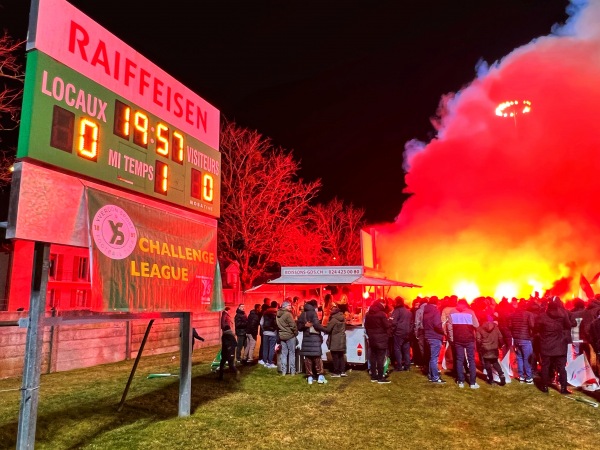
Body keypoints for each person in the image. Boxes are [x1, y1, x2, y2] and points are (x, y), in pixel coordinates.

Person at [535, 296, 577, 394]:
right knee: (562, 367)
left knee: (545, 366)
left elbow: (536, 328)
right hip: (560, 345)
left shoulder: (542, 316)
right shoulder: (563, 315)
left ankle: (545, 386)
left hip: (546, 345)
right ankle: (563, 388)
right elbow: (568, 326)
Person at [448, 299, 480, 389]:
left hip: (457, 339)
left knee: (459, 360)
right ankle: (473, 383)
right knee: (471, 360)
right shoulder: (470, 312)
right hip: (469, 339)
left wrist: (451, 338)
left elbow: (449, 326)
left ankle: (461, 381)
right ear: (466, 304)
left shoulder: (452, 312)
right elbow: (476, 325)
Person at [298, 299, 328, 384]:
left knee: (308, 358)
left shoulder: (303, 314)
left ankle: (310, 377)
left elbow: (299, 327)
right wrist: (326, 330)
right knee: (317, 357)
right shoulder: (313, 313)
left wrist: (304, 326)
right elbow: (316, 325)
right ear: (314, 306)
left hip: (306, 338)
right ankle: (320, 376)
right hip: (314, 338)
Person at [364, 299, 392, 383]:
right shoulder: (382, 314)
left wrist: (370, 335)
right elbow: (386, 325)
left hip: (372, 338)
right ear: (381, 304)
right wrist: (390, 321)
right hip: (381, 338)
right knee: (380, 357)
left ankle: (373, 376)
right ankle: (380, 377)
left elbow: (366, 326)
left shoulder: (368, 314)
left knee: (373, 357)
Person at [509, 299, 536, 384]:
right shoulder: (529, 314)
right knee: (527, 358)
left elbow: (510, 326)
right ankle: (528, 378)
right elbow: (532, 325)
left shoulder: (513, 314)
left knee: (519, 358)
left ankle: (521, 376)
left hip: (516, 339)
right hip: (525, 339)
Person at [476, 318, 506, 386]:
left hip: (485, 349)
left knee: (487, 364)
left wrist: (479, 348)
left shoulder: (479, 329)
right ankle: (501, 375)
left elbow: (478, 340)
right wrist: (501, 345)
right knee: (495, 362)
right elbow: (500, 337)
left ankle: (491, 379)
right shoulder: (496, 328)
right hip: (494, 348)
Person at [423, 297, 445, 383]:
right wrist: (442, 331)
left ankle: (430, 374)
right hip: (435, 336)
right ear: (437, 302)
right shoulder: (435, 311)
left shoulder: (426, 311)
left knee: (430, 357)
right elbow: (436, 324)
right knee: (434, 358)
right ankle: (435, 377)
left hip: (427, 336)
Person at [276, 300, 298, 375]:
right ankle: (292, 371)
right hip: (290, 335)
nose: (290, 307)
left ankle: (284, 371)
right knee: (292, 353)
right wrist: (295, 333)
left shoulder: (278, 314)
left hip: (282, 336)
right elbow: (293, 325)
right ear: (285, 306)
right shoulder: (288, 314)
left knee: (284, 354)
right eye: (289, 306)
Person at [390, 296, 412, 372]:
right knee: (406, 350)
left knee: (397, 349)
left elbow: (393, 322)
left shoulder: (397, 311)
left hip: (399, 333)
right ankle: (407, 366)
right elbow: (412, 323)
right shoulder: (408, 311)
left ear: (397, 302)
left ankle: (399, 366)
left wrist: (391, 331)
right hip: (407, 333)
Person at [325, 302, 347, 377]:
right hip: (342, 339)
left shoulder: (333, 319)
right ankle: (343, 371)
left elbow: (328, 329)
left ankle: (336, 372)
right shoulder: (343, 318)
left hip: (335, 340)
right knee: (341, 355)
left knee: (335, 356)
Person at [260, 300, 279, 368]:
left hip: (265, 333)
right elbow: (277, 323)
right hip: (273, 333)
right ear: (276, 305)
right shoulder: (276, 313)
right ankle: (270, 362)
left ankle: (265, 361)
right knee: (271, 348)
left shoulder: (265, 313)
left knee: (265, 347)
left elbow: (261, 323)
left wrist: (264, 329)